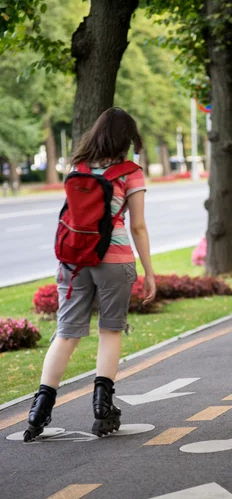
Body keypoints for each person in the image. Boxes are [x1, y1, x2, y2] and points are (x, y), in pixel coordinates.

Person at [24, 108, 156, 442]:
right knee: (110, 331)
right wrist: (150, 272)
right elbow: (137, 225)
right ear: (127, 139)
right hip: (114, 258)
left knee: (66, 332)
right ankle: (102, 408)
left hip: (74, 260)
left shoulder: (77, 168)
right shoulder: (131, 173)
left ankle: (40, 408)